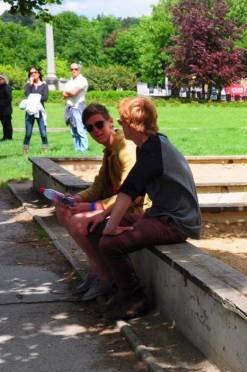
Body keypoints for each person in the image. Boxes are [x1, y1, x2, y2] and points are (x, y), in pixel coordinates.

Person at [86, 97, 202, 321]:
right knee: (95, 227)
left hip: (175, 222)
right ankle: (118, 287)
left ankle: (135, 298)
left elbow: (129, 192)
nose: (119, 124)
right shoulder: (149, 146)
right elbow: (132, 189)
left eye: (122, 120)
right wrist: (104, 216)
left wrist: (111, 227)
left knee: (109, 243)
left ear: (132, 124)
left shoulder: (154, 150)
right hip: (160, 215)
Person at [54, 103, 143, 301]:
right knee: (64, 210)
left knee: (80, 222)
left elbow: (132, 194)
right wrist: (76, 199)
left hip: (135, 209)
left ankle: (107, 277)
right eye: (89, 128)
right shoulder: (110, 150)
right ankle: (97, 270)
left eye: (99, 124)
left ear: (110, 122)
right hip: (119, 206)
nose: (95, 131)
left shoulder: (125, 149)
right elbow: (98, 187)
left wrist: (92, 206)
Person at [22, 67, 49, 154]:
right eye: (31, 73)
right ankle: (25, 150)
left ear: (39, 73)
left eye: (35, 72)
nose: (33, 74)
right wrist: (30, 84)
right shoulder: (28, 85)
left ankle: (45, 149)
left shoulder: (44, 85)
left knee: (43, 133)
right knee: (28, 133)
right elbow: (27, 94)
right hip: (30, 111)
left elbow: (45, 97)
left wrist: (33, 97)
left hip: (40, 111)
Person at [63, 63, 89, 152]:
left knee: (80, 130)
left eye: (76, 69)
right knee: (73, 131)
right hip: (69, 107)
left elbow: (74, 92)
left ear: (79, 70)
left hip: (78, 107)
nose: (74, 71)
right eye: (72, 69)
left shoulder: (82, 80)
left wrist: (68, 92)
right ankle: (77, 150)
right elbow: (64, 95)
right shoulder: (69, 81)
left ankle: (84, 150)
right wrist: (70, 93)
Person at [0, 74, 12, 141]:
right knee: (3, 124)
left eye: (1, 79)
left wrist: (2, 104)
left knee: (7, 124)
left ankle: (9, 137)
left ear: (4, 80)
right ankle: (5, 136)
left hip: (6, 109)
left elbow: (9, 98)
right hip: (1, 109)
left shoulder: (7, 87)